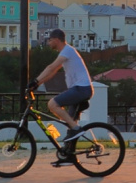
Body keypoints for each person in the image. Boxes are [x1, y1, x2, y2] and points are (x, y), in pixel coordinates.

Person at [28, 29, 94, 167]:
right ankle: (69, 156)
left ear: (56, 40)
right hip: (79, 90)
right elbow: (52, 73)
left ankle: (76, 129)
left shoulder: (67, 51)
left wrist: (34, 81)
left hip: (81, 89)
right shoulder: (66, 52)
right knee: (69, 126)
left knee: (53, 104)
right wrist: (36, 85)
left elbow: (51, 67)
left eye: (50, 40)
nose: (48, 43)